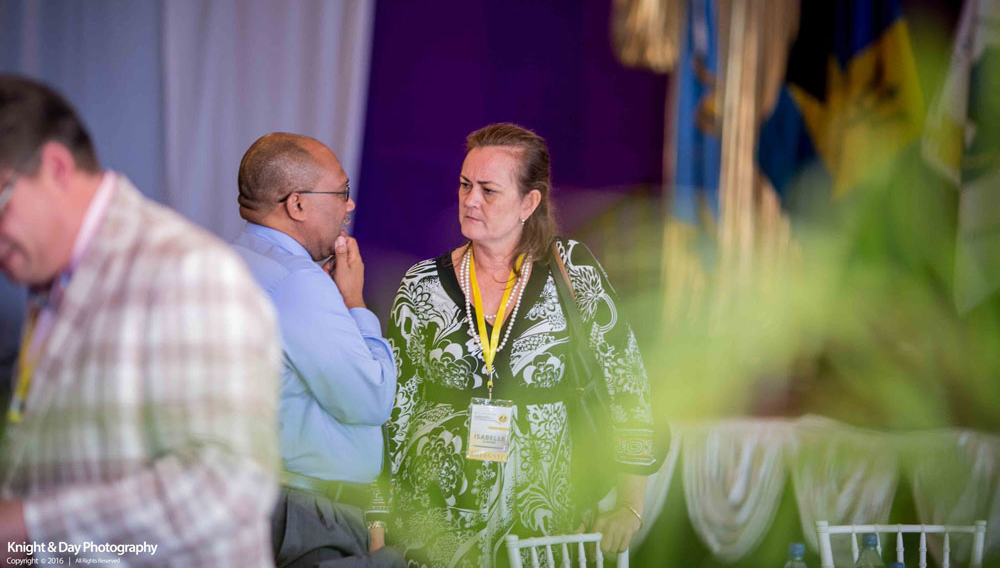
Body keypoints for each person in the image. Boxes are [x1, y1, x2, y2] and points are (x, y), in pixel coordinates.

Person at [0, 74, 281, 565]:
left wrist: (30, 530)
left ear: (57, 168)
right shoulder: (54, 277)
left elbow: (225, 488)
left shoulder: (188, 270)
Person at [385, 123, 660, 566]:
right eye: (465, 185)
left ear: (528, 203)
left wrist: (630, 505)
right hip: (432, 521)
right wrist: (380, 515)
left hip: (543, 521)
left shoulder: (573, 270)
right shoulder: (421, 285)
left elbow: (627, 381)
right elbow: (396, 406)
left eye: (488, 190)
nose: (470, 200)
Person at [231, 133, 402, 568]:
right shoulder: (297, 281)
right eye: (342, 191)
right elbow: (371, 398)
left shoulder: (232, 259)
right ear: (297, 204)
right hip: (305, 520)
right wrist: (355, 303)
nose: (350, 205)